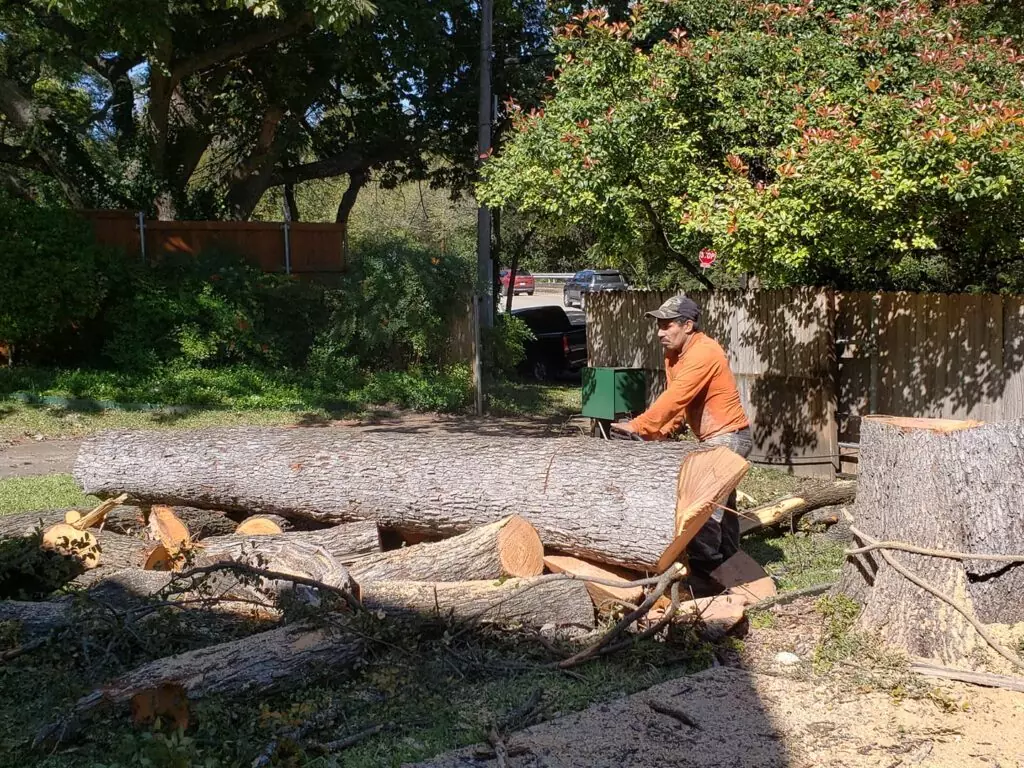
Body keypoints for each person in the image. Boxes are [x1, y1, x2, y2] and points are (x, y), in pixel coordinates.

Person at [610, 295, 752, 577]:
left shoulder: (705, 352)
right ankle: (732, 563)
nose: (660, 332)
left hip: (729, 437)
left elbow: (676, 397)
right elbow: (680, 406)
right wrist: (659, 433)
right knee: (723, 502)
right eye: (659, 326)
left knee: (702, 507)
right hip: (713, 438)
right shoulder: (674, 356)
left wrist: (639, 426)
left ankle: (706, 570)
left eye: (667, 325)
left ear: (688, 326)